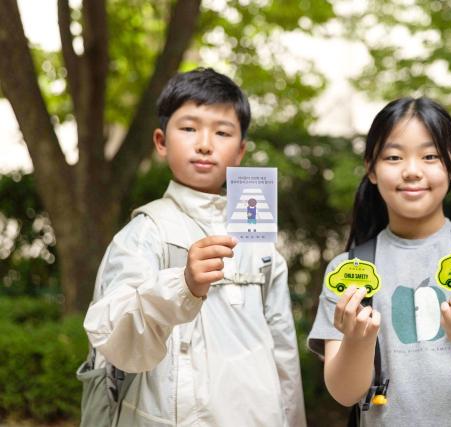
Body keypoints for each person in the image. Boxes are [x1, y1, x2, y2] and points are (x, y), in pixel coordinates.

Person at [83, 68, 306, 426]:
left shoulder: (260, 242)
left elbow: (283, 350)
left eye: (222, 132)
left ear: (240, 151)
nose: (205, 143)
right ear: (160, 142)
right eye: (188, 128)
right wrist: (182, 285)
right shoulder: (147, 232)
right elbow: (113, 338)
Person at [308, 97, 451, 426]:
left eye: (430, 156)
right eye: (393, 157)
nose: (412, 170)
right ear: (371, 169)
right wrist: (359, 339)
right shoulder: (347, 271)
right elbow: (345, 394)